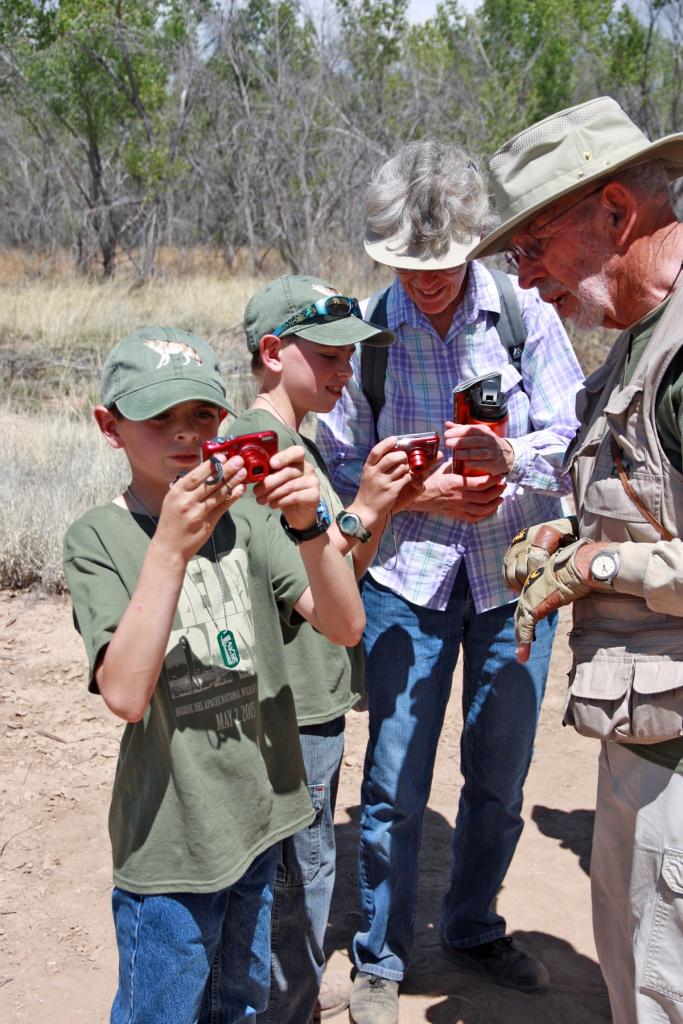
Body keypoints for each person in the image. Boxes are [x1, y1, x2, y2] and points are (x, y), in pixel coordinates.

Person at [315, 141, 584, 1023]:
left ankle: (472, 926)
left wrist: (507, 460)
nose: (426, 286)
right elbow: (339, 458)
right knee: (393, 780)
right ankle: (381, 958)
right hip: (404, 580)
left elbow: (571, 435)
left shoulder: (522, 316)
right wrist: (414, 491)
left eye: (442, 269)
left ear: (476, 247)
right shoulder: (365, 337)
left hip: (511, 581)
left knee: (499, 773)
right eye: (406, 270)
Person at [63, 325, 365, 1024]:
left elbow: (343, 625)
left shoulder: (251, 520)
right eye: (158, 419)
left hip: (257, 818)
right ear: (110, 427)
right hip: (171, 841)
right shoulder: (98, 538)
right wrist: (168, 547)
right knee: (162, 1009)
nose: (185, 436)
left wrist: (310, 522)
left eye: (201, 416)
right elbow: (126, 694)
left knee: (240, 1004)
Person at [469, 96, 683, 1024]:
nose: (526, 283)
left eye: (533, 249)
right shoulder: (642, 346)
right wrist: (572, 535)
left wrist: (600, 569)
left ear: (614, 214)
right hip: (650, 746)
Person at [232, 274, 420, 1024]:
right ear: (273, 352)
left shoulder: (294, 446)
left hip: (310, 694)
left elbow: (337, 577)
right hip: (291, 699)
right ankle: (288, 1004)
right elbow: (307, 596)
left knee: (302, 865)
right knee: (295, 873)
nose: (346, 372)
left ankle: (295, 992)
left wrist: (372, 508)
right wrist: (369, 506)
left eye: (351, 357)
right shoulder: (265, 457)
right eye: (329, 356)